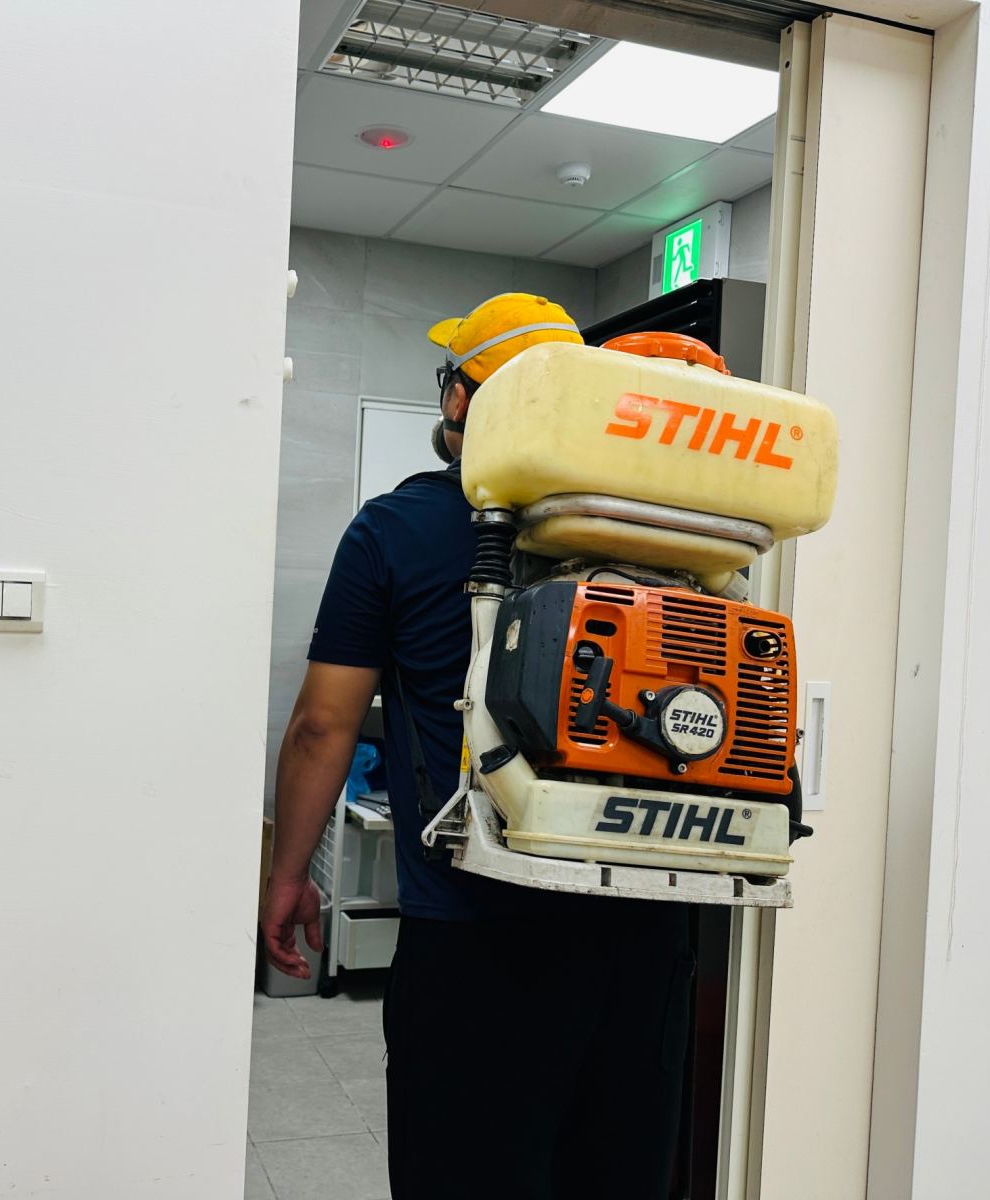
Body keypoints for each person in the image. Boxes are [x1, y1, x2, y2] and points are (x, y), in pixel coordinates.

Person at [259, 294, 695, 1200]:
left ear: (460, 399)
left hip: (475, 941)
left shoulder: (394, 529)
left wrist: (289, 872)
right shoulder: (658, 526)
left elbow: (322, 725)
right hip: (643, 936)